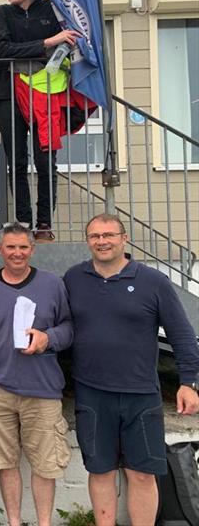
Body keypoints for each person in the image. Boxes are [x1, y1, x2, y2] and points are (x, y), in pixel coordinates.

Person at [64, 213, 199, 526]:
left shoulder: (153, 282)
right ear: (88, 241)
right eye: (96, 236)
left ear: (124, 239)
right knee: (100, 472)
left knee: (141, 474)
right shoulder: (73, 278)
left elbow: (181, 334)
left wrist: (188, 383)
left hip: (141, 396)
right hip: (92, 394)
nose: (103, 241)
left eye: (109, 235)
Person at [0, 222, 73, 526]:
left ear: (32, 249)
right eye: (10, 247)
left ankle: (43, 522)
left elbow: (68, 328)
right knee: (5, 462)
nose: (17, 253)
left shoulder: (52, 284)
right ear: (0, 249)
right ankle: (14, 521)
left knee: (45, 465)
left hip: (42, 388)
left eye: (23, 247)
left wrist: (46, 339)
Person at [0, 0, 82, 242]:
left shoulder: (52, 9)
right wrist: (48, 41)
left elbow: (71, 41)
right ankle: (22, 224)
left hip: (47, 93)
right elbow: (2, 49)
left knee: (45, 160)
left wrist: (58, 42)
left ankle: (44, 224)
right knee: (16, 161)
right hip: (9, 92)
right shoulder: (2, 13)